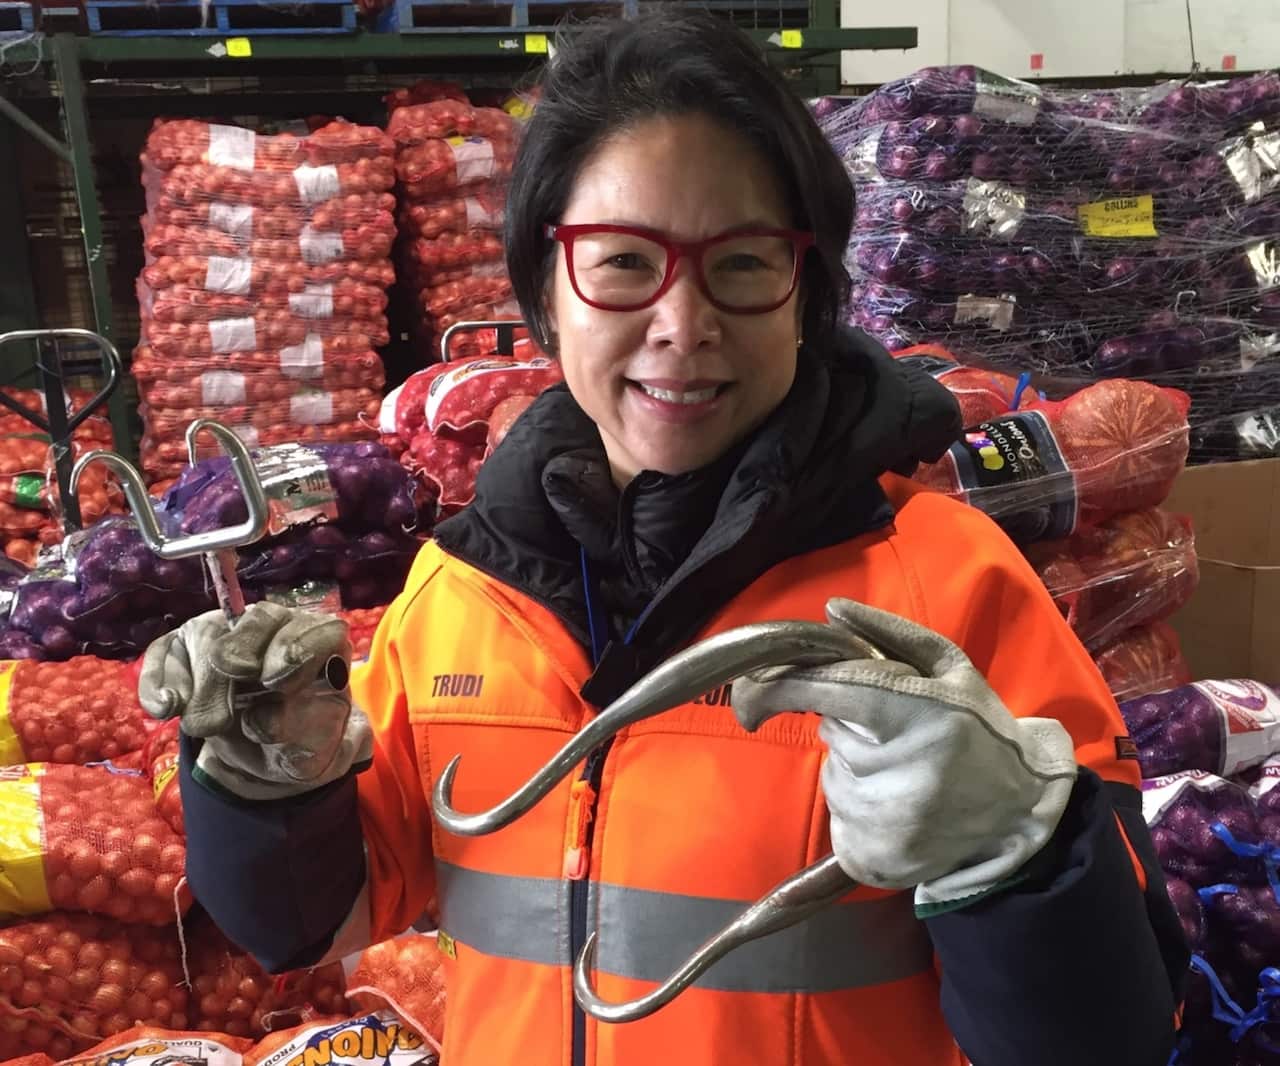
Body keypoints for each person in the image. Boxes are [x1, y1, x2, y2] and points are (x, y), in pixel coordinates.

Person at [139, 12, 1188, 1066]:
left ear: (807, 294)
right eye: (624, 261)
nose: (682, 323)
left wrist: (1013, 855)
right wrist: (262, 782)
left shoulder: (951, 589)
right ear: (545, 293)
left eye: (743, 263)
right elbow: (311, 921)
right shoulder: (461, 592)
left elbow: (1106, 1041)